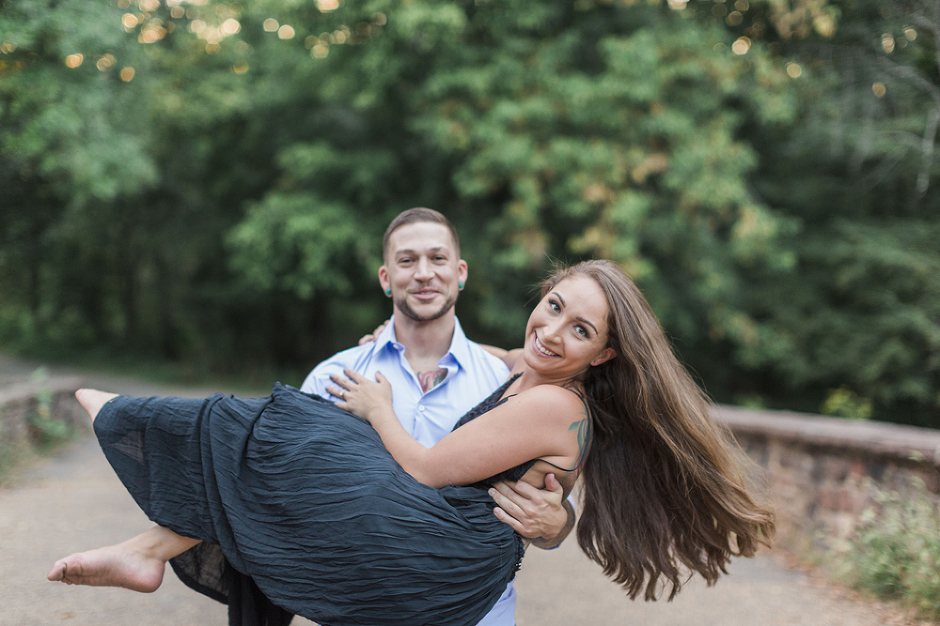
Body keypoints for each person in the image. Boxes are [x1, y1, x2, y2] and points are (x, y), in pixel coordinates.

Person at [48, 259, 775, 626]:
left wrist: (377, 403)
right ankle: (145, 555)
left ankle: (129, 435)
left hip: (446, 551)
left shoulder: (555, 402)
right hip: (445, 548)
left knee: (302, 429)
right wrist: (387, 340)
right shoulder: (535, 370)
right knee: (296, 457)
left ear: (606, 355)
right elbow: (484, 351)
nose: (552, 331)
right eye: (554, 305)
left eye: (580, 330)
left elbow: (426, 468)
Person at [49, 208, 573, 626]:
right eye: (407, 261)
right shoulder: (337, 373)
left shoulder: (506, 382)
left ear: (459, 272)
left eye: (438, 258)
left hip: (470, 614)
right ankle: (144, 539)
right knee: (266, 447)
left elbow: (557, 501)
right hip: (353, 606)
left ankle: (141, 504)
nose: (424, 273)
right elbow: (267, 491)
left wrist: (555, 524)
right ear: (386, 278)